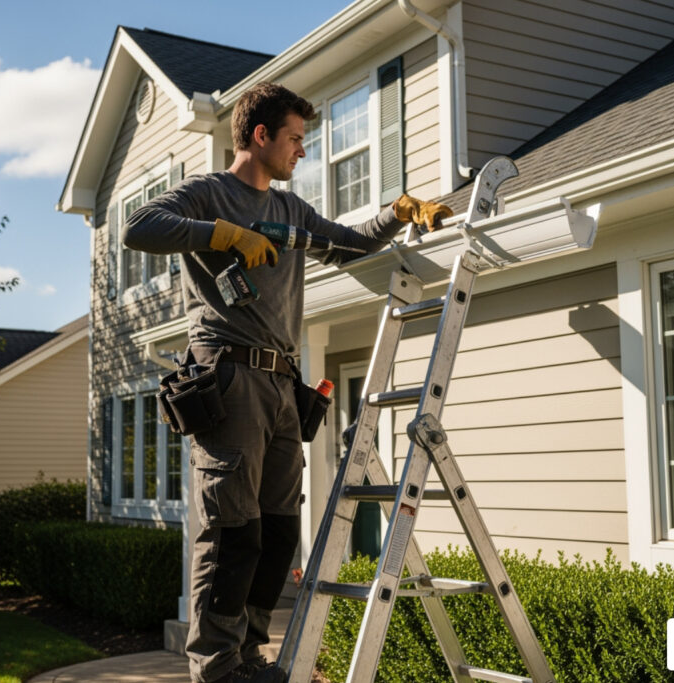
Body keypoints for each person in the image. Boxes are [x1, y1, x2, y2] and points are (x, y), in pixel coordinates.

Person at [123, 82, 452, 683]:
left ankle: (248, 655)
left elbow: (348, 247)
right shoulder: (207, 193)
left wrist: (399, 213)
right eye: (296, 139)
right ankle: (217, 667)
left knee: (276, 533)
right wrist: (221, 234)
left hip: (282, 383)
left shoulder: (290, 210)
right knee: (232, 530)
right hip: (227, 375)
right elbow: (138, 227)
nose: (303, 150)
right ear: (260, 135)